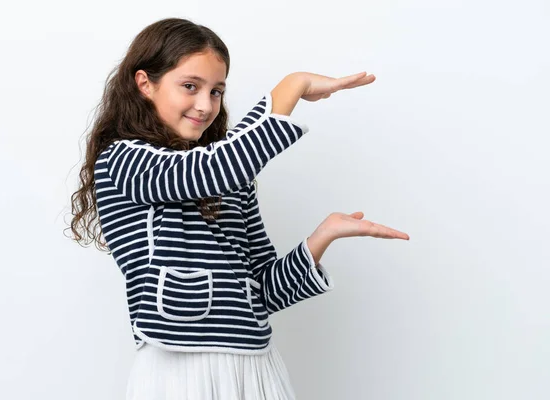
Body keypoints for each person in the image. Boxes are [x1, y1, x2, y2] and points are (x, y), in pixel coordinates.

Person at [69, 17, 409, 400]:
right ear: (145, 83)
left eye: (216, 91)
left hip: (257, 366)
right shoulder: (124, 161)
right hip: (181, 366)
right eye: (190, 86)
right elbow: (207, 170)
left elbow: (265, 290)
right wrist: (290, 87)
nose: (205, 104)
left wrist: (322, 236)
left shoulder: (229, 179)